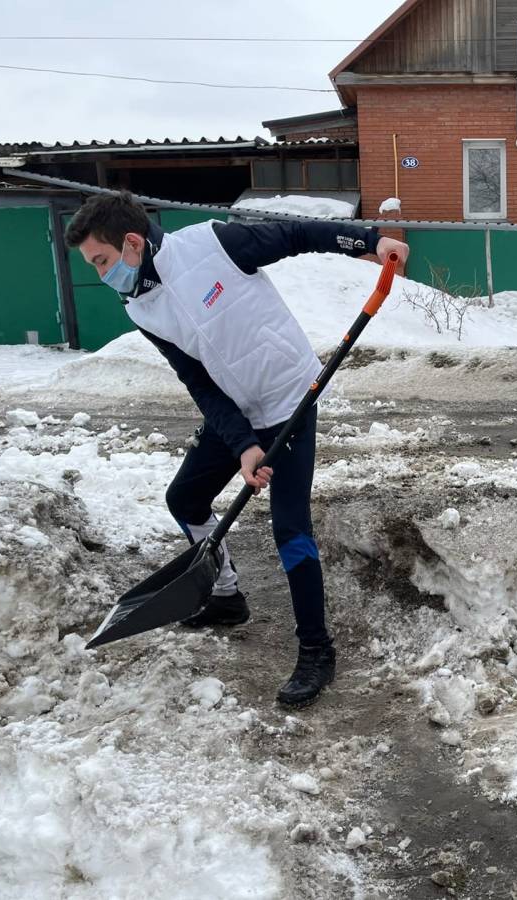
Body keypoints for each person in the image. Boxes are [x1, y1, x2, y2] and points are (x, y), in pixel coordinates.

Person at [65, 191, 408, 709]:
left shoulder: (213, 244)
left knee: (290, 529)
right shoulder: (141, 305)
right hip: (237, 412)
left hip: (290, 397)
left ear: (132, 242)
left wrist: (366, 241)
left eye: (103, 261)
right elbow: (198, 381)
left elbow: (294, 235)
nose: (101, 274)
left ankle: (317, 650)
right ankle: (225, 597)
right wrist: (244, 445)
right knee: (185, 499)